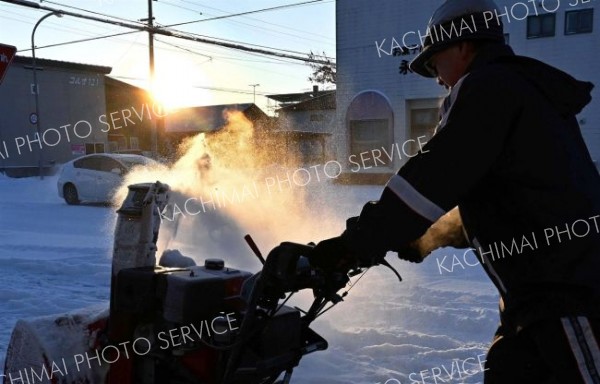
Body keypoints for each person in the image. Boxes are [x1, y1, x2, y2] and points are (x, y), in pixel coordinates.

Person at [309, 0, 600, 382]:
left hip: (570, 294)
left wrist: (351, 246)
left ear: (464, 45)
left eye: (434, 63)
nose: (437, 78)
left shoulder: (488, 86)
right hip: (534, 301)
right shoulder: (520, 91)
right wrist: (428, 238)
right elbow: (504, 200)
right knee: (509, 366)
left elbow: (431, 178)